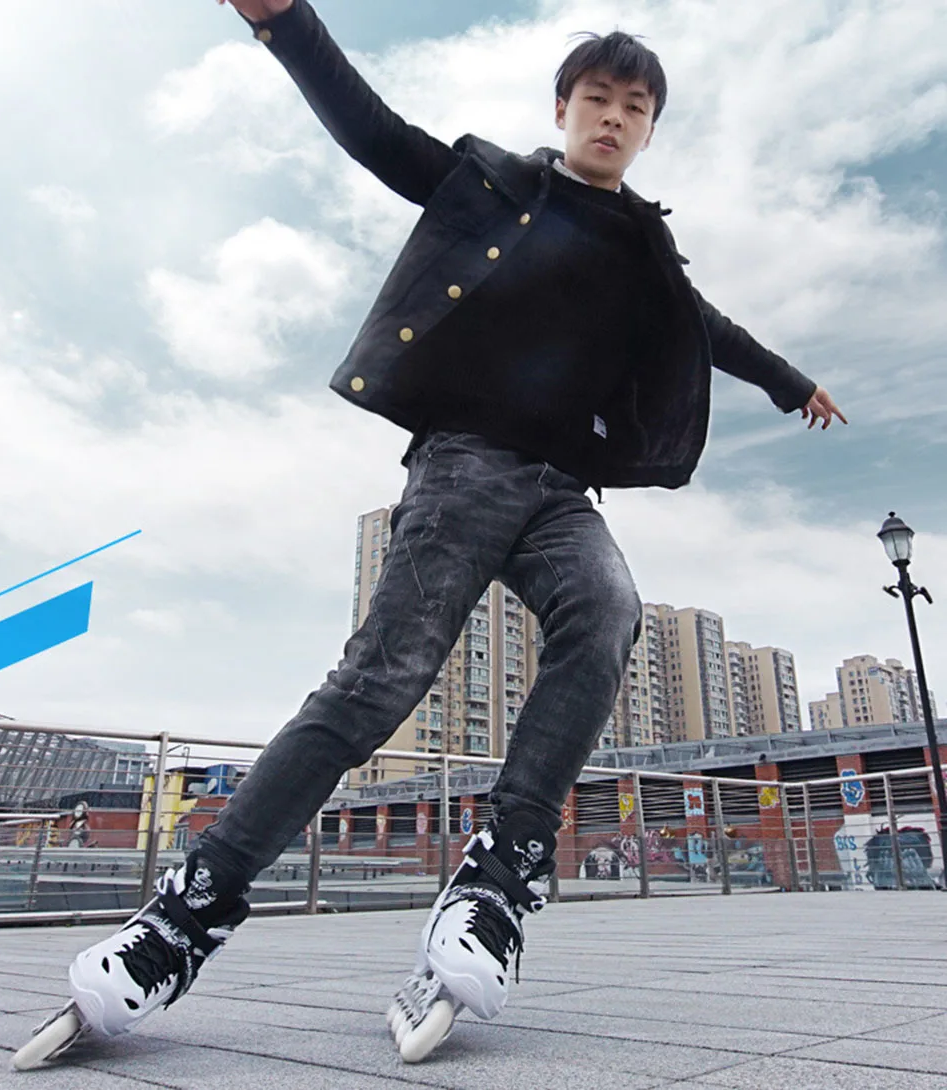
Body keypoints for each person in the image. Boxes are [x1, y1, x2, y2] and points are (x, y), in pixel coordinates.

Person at [60, 0, 847, 1064]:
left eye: (635, 107)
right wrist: (285, 24)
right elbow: (377, 134)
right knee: (379, 682)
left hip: (561, 491)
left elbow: (709, 330)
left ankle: (497, 874)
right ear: (562, 109)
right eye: (597, 98)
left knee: (607, 608)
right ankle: (187, 912)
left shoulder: (646, 254)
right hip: (465, 462)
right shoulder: (492, 183)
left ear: (651, 130)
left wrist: (792, 382)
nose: (613, 118)